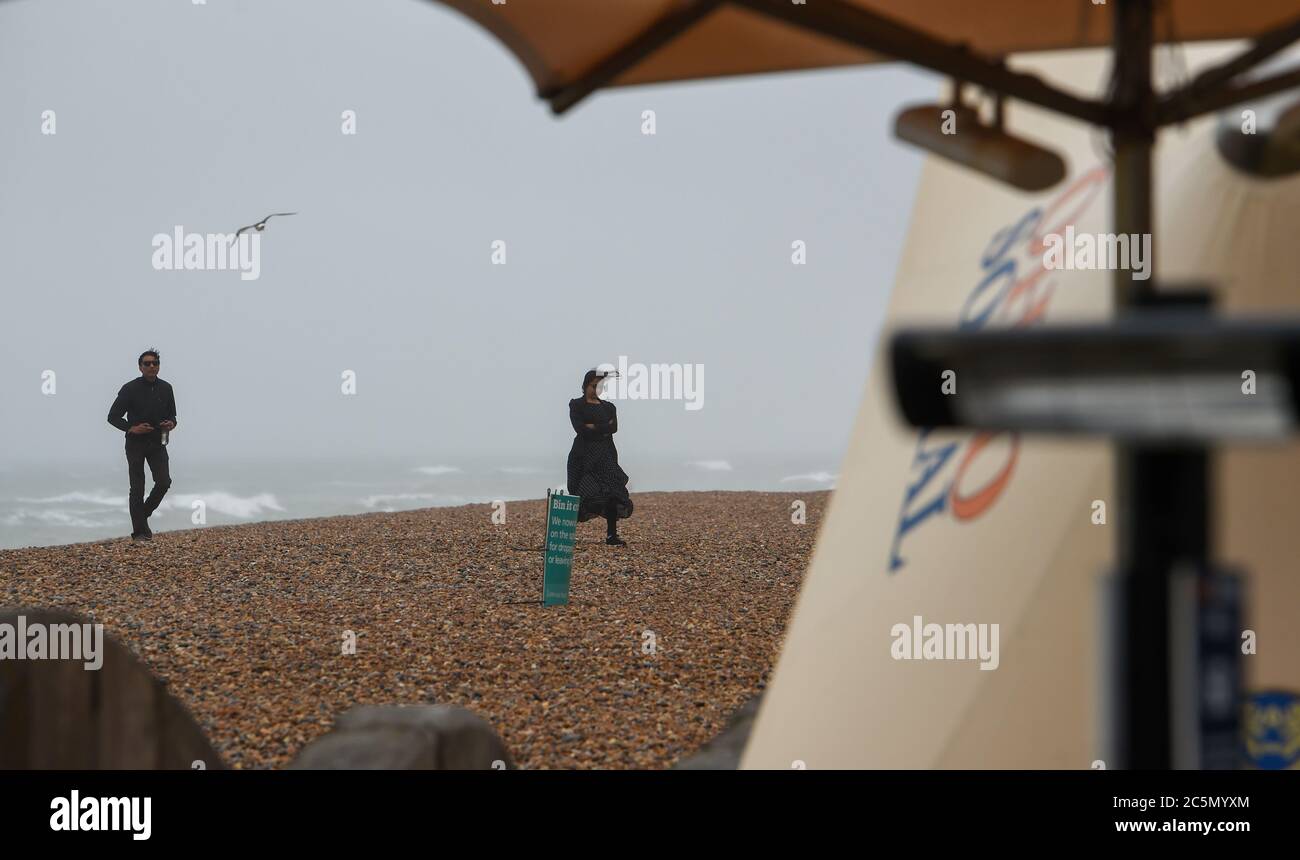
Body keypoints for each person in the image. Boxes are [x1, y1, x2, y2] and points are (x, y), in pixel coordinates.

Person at [107, 349, 177, 541]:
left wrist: (171, 424)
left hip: (158, 442)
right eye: (147, 363)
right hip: (135, 443)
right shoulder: (129, 389)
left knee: (163, 482)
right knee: (137, 487)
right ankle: (139, 532)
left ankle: (142, 515)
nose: (151, 366)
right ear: (140, 367)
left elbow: (173, 416)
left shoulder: (166, 388)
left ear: (159, 366)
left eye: (154, 363)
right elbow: (112, 417)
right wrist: (132, 428)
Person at [568, 369, 632, 546]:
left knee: (613, 493)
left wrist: (592, 426)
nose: (597, 389)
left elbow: (614, 428)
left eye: (601, 386)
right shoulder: (576, 405)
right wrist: (602, 427)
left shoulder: (609, 407)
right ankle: (565, 533)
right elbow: (580, 429)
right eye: (594, 385)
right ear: (585, 385)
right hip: (583, 456)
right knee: (582, 494)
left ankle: (612, 536)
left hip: (606, 455)